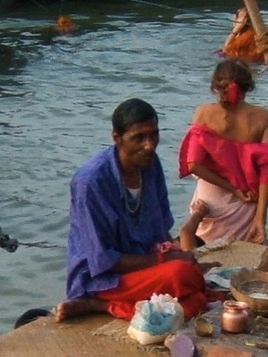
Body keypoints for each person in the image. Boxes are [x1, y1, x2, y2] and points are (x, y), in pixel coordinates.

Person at [56, 99, 210, 322]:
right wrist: (167, 262)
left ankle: (121, 304)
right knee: (182, 275)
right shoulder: (91, 182)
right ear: (117, 138)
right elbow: (103, 261)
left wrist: (177, 253)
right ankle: (98, 304)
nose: (149, 145)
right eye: (139, 138)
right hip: (104, 280)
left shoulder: (150, 164)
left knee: (196, 301)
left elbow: (160, 232)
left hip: (141, 268)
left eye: (154, 135)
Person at [176, 58, 268, 250]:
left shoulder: (204, 113)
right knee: (243, 251)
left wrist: (232, 189)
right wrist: (260, 219)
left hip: (211, 198)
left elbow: (193, 165)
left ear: (216, 87)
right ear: (248, 86)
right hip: (248, 199)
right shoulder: (263, 117)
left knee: (201, 248)